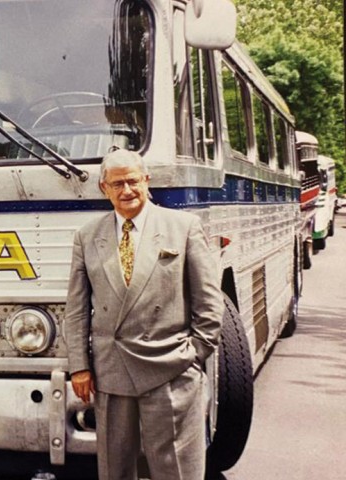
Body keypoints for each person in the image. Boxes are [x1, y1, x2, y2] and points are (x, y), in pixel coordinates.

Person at [64, 149, 223, 480]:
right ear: (104, 189)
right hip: (112, 372)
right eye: (117, 183)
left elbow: (209, 301)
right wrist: (79, 365)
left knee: (176, 469)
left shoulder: (183, 227)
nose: (127, 191)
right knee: (115, 470)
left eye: (133, 181)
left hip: (171, 368)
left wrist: (194, 354)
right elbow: (77, 308)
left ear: (147, 181)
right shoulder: (87, 236)